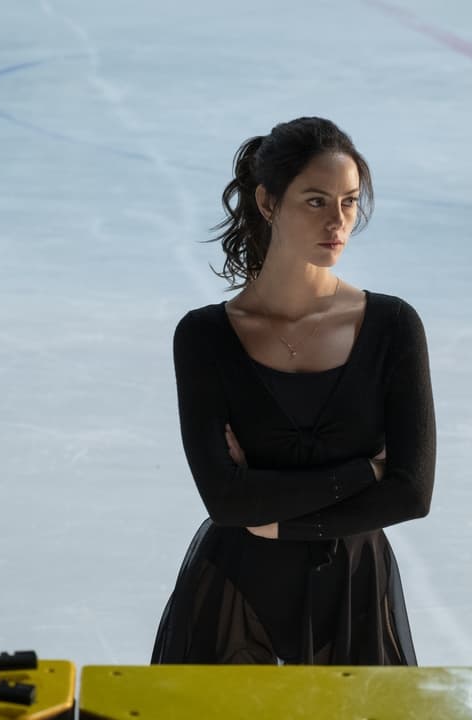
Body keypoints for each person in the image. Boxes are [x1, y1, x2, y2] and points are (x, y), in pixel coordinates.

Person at [151, 117, 436, 665]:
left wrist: (278, 519)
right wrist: (365, 472)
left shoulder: (394, 326)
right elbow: (226, 502)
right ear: (267, 202)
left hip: (354, 593)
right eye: (315, 201)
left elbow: (411, 493)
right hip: (235, 596)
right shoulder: (204, 336)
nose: (338, 221)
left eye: (349, 201)